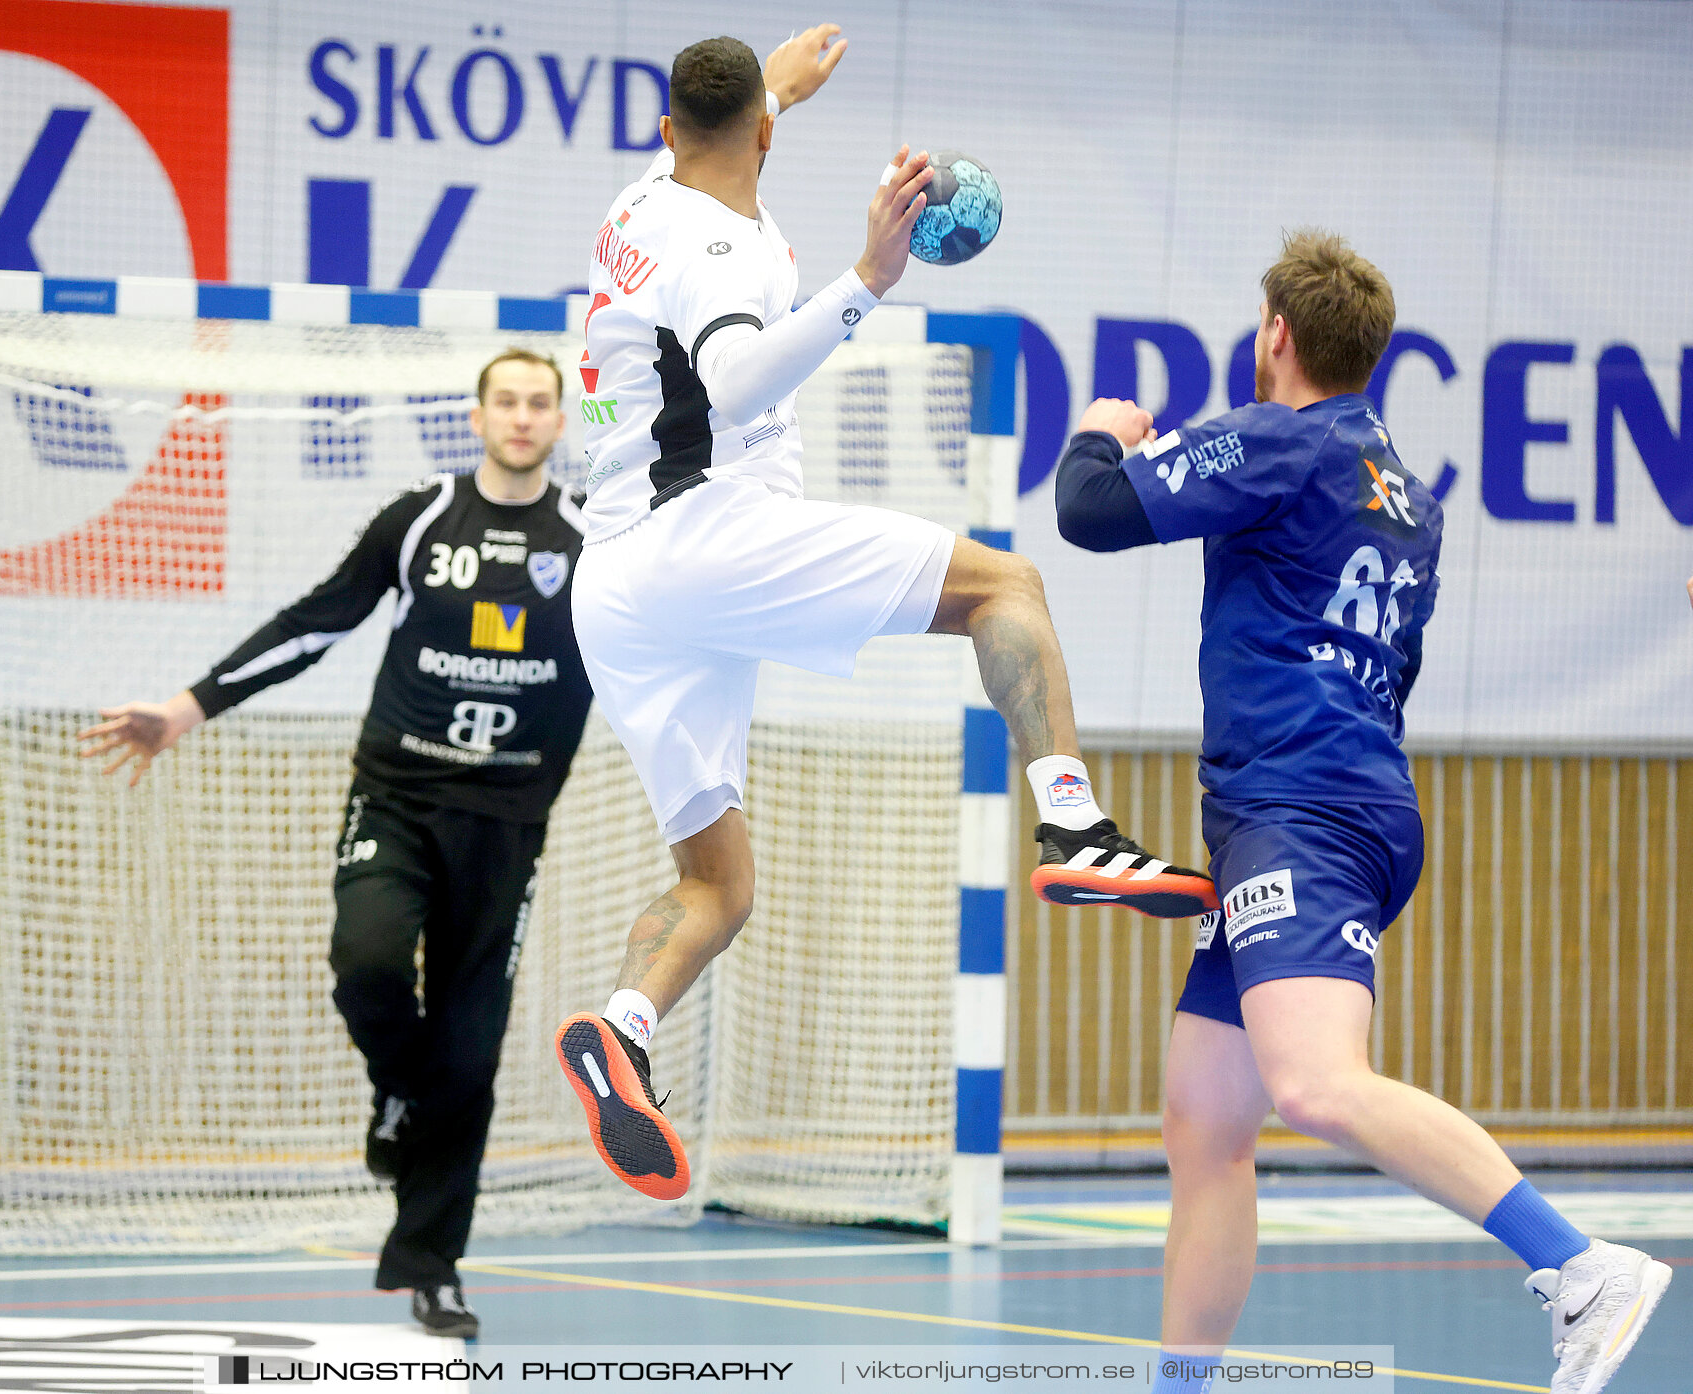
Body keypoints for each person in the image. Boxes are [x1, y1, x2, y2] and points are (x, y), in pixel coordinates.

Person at [548, 24, 1216, 1203]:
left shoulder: (638, 202)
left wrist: (778, 92)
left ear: (668, 130)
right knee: (1006, 584)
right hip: (709, 533)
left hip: (615, 582)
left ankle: (622, 1026)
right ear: (756, 130)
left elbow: (716, 141)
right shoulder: (733, 254)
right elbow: (739, 376)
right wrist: (867, 280)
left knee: (720, 882)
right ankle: (1073, 828)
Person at [1054, 231, 1671, 1394]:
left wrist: (1107, 430)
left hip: (1302, 814)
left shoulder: (1278, 439)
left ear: (1275, 335)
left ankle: (1581, 1265)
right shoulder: (1409, 495)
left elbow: (1088, 508)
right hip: (1311, 809)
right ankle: (1180, 1384)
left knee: (1316, 1084)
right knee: (1206, 1124)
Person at [76, 350, 591, 1339]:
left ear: (558, 420)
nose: (523, 418)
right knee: (365, 963)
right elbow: (318, 620)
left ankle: (432, 1263)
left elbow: (646, 653)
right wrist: (188, 707)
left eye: (539, 403)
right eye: (507, 401)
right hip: (396, 796)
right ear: (478, 415)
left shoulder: (591, 539)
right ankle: (397, 1084)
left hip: (509, 825)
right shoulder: (420, 519)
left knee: (472, 1054)